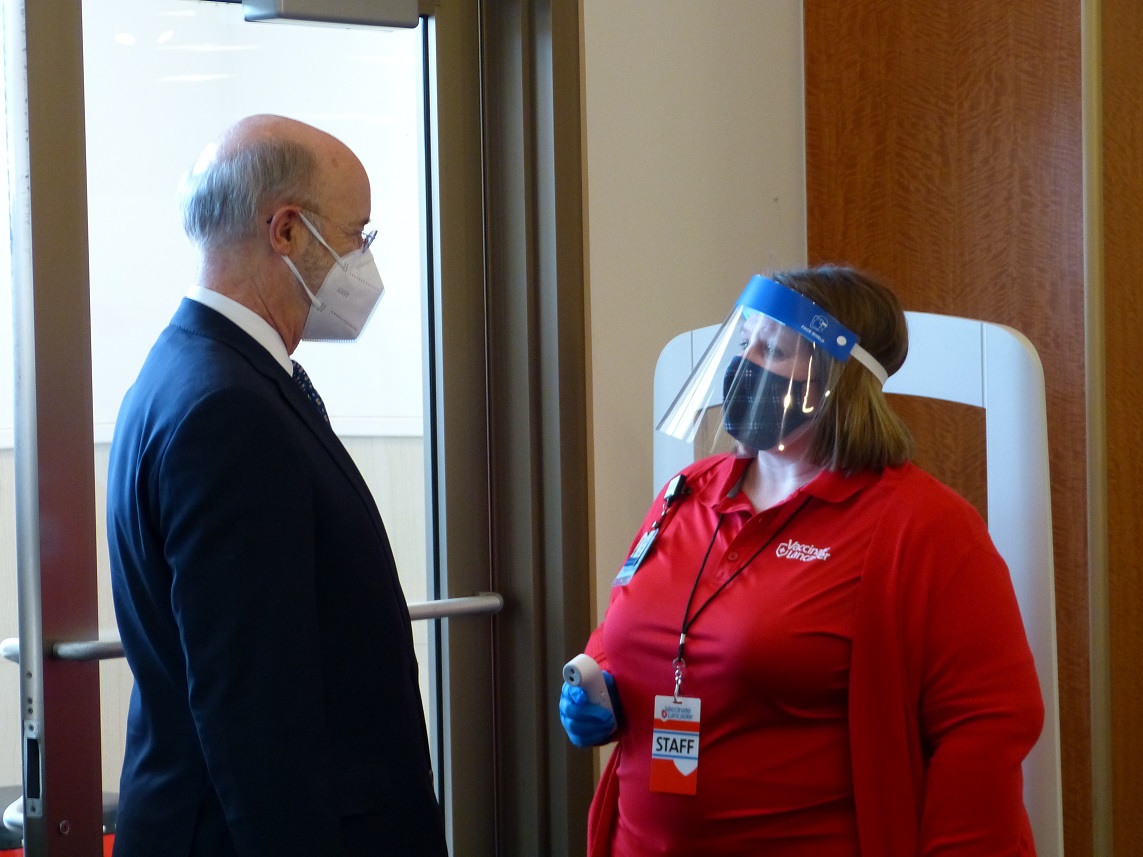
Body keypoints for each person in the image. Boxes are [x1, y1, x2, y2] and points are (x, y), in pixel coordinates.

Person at [560, 267, 1045, 856]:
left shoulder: (924, 528)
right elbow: (633, 618)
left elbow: (985, 731)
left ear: (837, 380)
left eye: (773, 349)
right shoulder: (685, 493)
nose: (746, 362)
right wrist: (603, 680)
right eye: (744, 343)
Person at [107, 115, 448, 857]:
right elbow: (253, 708)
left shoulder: (191, 372)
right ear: (287, 231)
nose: (365, 259)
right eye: (359, 234)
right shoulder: (225, 407)